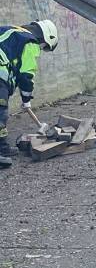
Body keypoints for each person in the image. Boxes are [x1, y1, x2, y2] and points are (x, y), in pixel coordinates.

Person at [0, 20, 59, 167]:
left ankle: (2, 148)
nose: (41, 50)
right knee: (0, 113)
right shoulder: (29, 41)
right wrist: (26, 99)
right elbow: (26, 75)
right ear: (44, 37)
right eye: (44, 47)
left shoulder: (12, 30)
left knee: (1, 113)